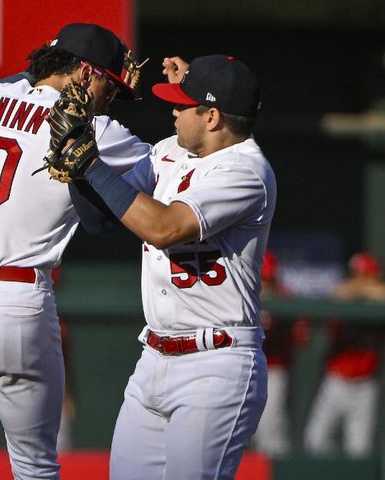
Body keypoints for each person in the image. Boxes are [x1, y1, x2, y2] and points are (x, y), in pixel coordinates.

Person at [0, 22, 150, 480]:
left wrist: (38, 75)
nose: (111, 97)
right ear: (85, 72)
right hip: (15, 302)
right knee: (35, 468)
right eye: (109, 82)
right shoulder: (100, 129)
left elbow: (14, 91)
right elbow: (158, 171)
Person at [50, 54, 276, 480]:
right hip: (154, 356)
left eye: (182, 103)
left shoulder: (246, 170)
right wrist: (75, 162)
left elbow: (164, 228)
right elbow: (101, 218)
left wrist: (91, 164)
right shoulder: (170, 150)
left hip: (216, 364)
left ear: (212, 117)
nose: (171, 110)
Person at [303, 251, 385, 457]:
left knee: (360, 450)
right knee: (315, 441)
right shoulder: (346, 293)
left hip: (366, 384)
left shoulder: (382, 299)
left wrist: (371, 291)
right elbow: (337, 293)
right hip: (336, 380)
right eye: (355, 275)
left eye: (362, 274)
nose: (356, 279)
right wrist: (362, 289)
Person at [251, 250, 309, 456]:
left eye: (268, 278)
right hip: (245, 367)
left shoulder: (285, 296)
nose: (265, 283)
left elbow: (302, 337)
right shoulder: (241, 293)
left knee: (271, 429)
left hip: (274, 369)